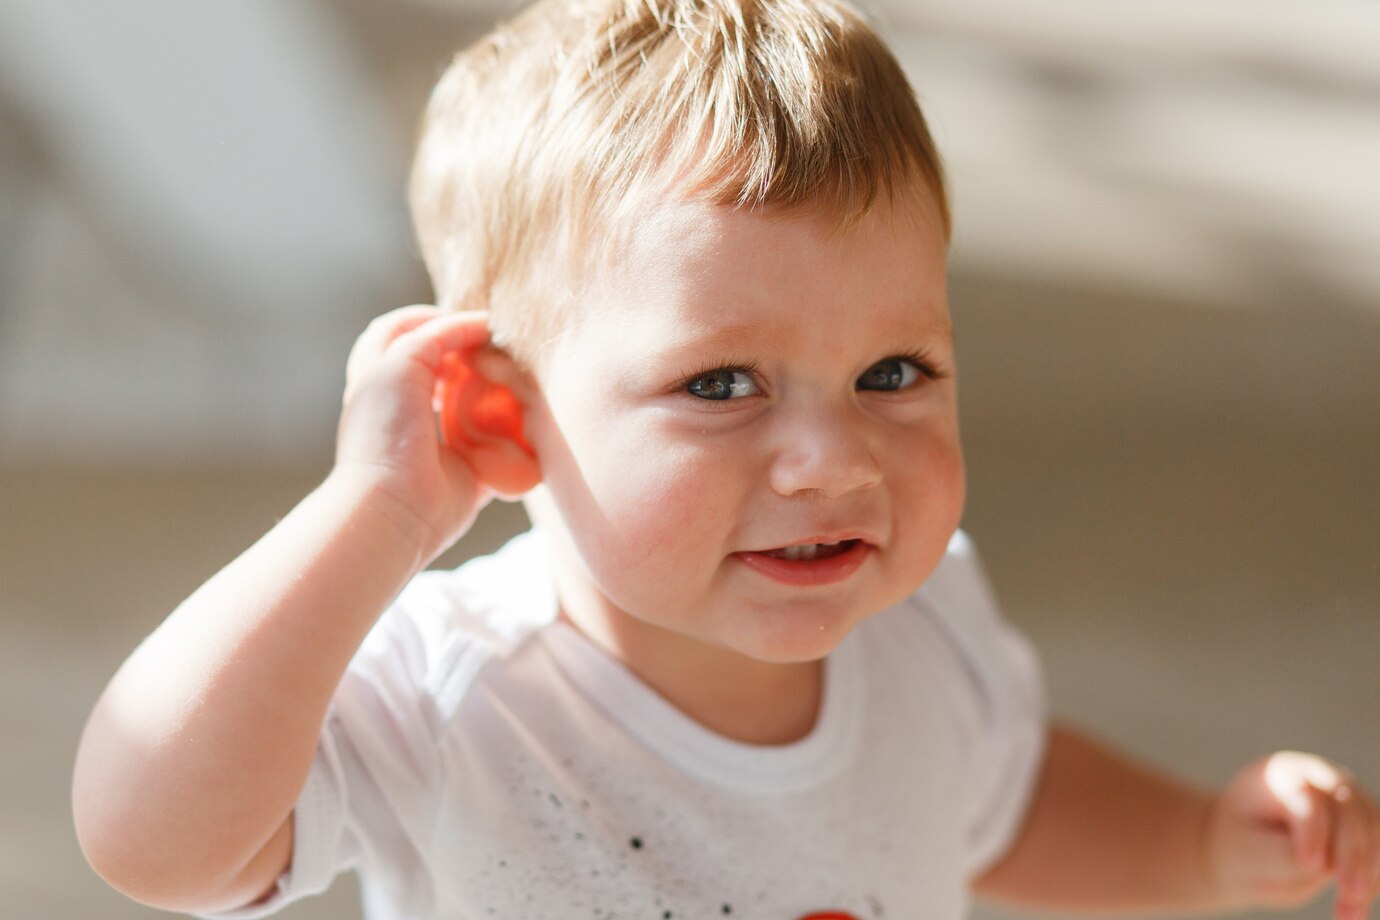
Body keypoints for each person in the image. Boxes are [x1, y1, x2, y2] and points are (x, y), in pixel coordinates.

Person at [72, 1, 1379, 918]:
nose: (831, 458)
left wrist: (1203, 844)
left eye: (893, 373)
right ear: (507, 419)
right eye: (719, 385)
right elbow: (154, 840)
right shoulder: (453, 693)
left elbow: (1006, 788)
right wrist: (374, 511)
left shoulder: (922, 625)